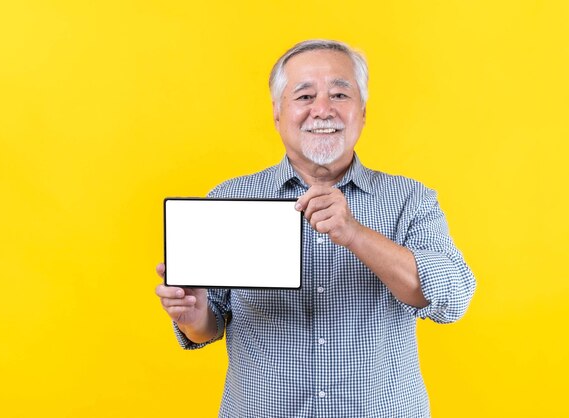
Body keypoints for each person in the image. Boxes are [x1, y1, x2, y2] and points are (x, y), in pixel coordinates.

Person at [155, 39, 476, 417]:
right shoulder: (229, 197)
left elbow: (452, 299)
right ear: (278, 113)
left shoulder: (411, 199)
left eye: (340, 94)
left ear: (362, 112)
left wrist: (354, 233)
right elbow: (210, 325)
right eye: (304, 97)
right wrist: (194, 318)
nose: (323, 110)